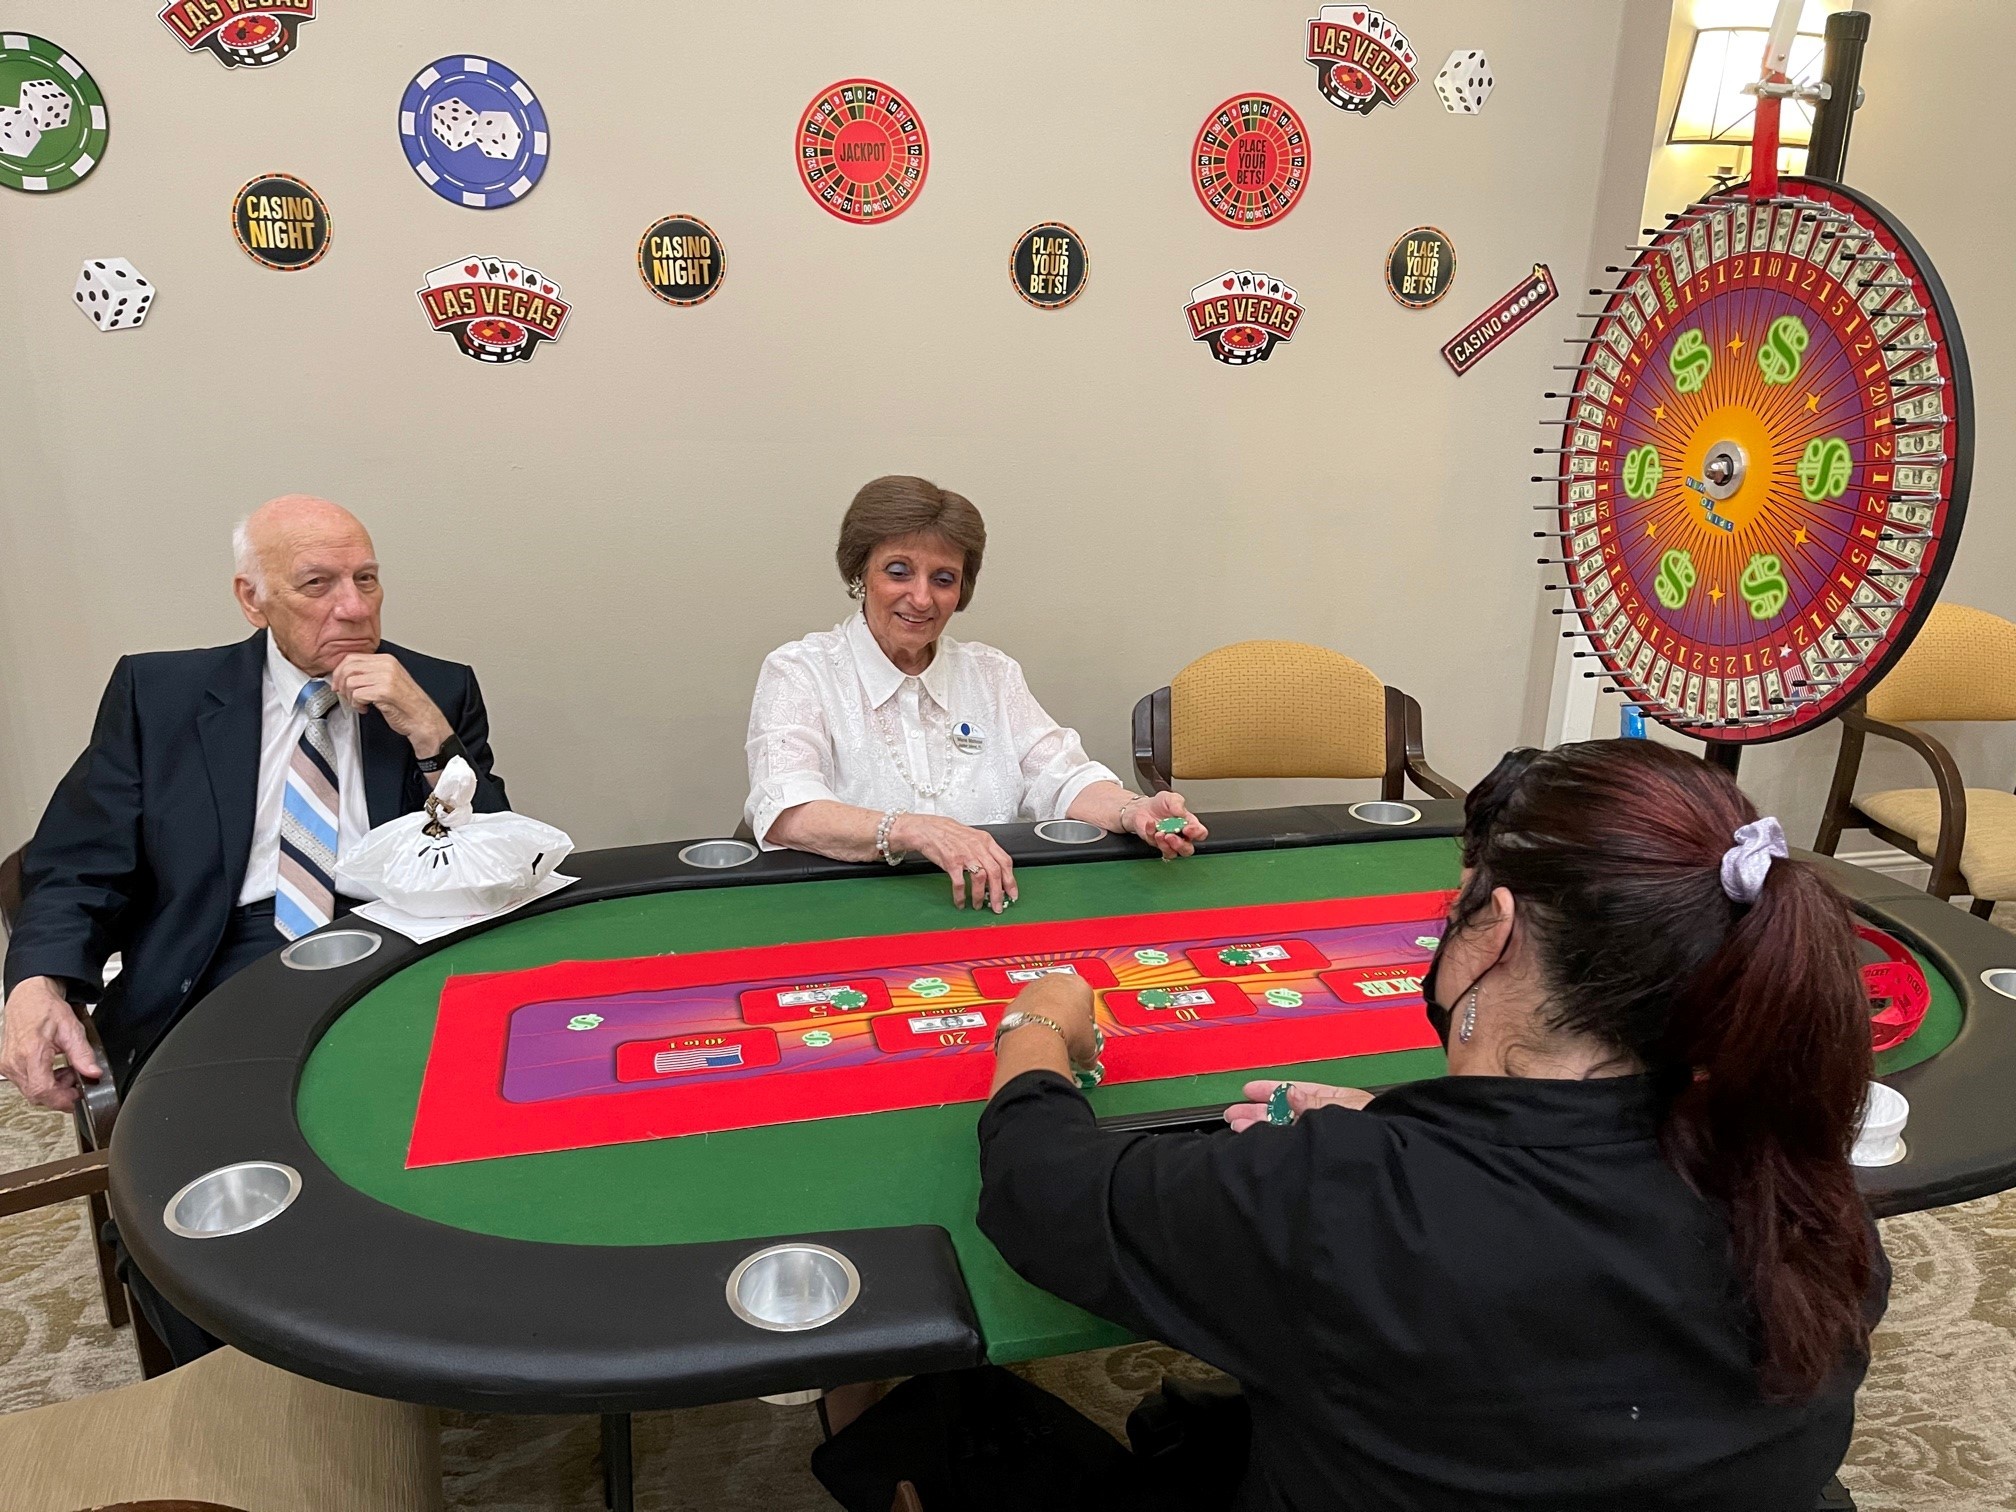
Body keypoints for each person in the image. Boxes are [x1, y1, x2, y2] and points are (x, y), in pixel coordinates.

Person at [977, 739, 1886, 1512]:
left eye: (1453, 909)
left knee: (941, 1429)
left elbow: (1036, 1188)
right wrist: (1405, 1134)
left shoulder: (1345, 1200)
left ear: (1496, 930)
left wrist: (1043, 1019)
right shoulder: (1801, 1181)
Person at [1, 495, 508, 1361]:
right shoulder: (158, 694)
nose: (353, 607)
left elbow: (497, 861)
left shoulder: (436, 685)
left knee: (452, 1144)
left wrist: (430, 736)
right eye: (318, 584)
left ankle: (442, 1334)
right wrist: (35, 979)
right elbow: (75, 861)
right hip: (221, 958)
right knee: (195, 1198)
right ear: (252, 597)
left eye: (367, 579)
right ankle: (240, 1377)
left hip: (391, 947)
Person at [746, 476, 1204, 911]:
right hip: (848, 911)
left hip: (990, 904)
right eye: (899, 571)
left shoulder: (991, 673)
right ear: (860, 573)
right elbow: (789, 810)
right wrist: (915, 830)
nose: (922, 598)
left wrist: (1135, 811)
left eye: (943, 579)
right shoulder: (800, 670)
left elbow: (1061, 778)